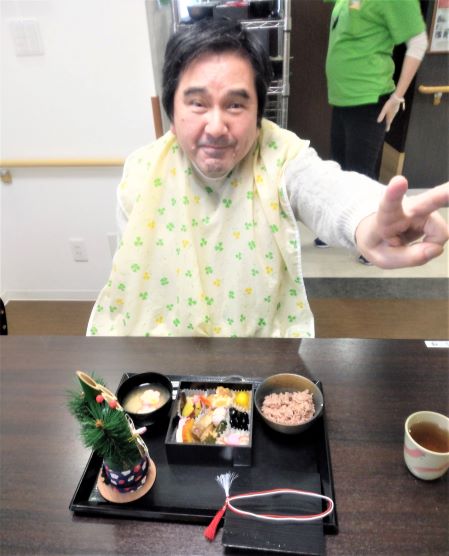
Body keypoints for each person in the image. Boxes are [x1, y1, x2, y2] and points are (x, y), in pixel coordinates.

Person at [87, 19, 448, 338]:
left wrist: (366, 220)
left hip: (260, 349)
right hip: (165, 351)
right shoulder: (142, 172)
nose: (216, 126)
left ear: (259, 114)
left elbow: (322, 186)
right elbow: (134, 277)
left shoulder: (279, 155)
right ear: (171, 110)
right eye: (197, 103)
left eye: (235, 104)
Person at [317, 0, 428, 264]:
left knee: (362, 176)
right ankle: (339, 229)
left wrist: (397, 97)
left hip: (369, 98)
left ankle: (375, 241)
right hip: (342, 98)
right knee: (340, 171)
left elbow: (418, 42)